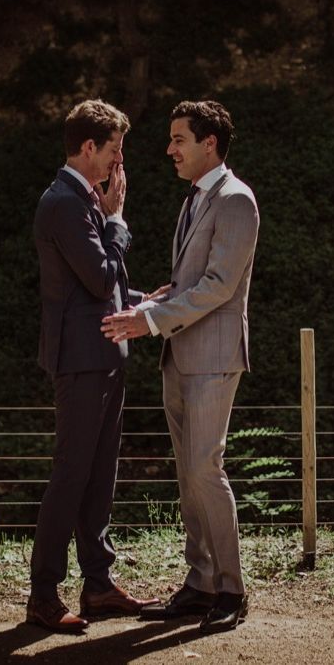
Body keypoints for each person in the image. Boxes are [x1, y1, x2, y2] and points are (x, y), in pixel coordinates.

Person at [101, 100, 259, 633]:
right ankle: (200, 583)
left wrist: (151, 323)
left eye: (178, 139)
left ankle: (231, 590)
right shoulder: (195, 200)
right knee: (188, 476)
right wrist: (149, 308)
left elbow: (219, 287)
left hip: (213, 358)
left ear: (209, 143)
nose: (169, 149)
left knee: (204, 471)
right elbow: (188, 284)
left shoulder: (236, 201)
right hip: (180, 355)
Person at [29, 99, 163, 633]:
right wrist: (117, 219)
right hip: (81, 361)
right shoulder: (64, 203)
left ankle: (99, 586)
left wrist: (143, 299)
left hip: (103, 354)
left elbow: (104, 288)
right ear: (89, 148)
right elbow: (97, 277)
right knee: (71, 475)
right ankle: (43, 595)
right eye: (114, 149)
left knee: (99, 476)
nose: (118, 161)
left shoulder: (79, 200)